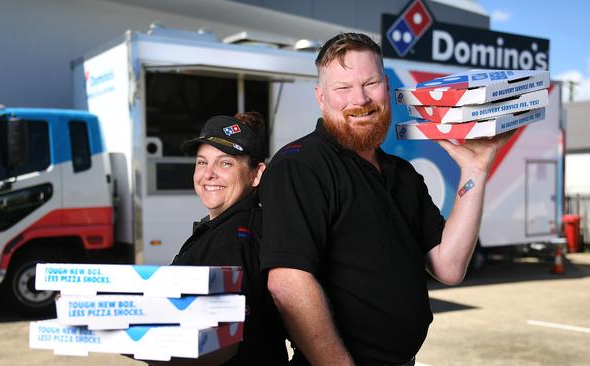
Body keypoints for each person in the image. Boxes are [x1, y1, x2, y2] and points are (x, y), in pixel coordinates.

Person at [258, 33, 515, 366]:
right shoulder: (301, 165)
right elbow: (288, 283)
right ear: (321, 98)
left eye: (371, 82)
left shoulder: (401, 173)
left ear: (387, 86)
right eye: (343, 88)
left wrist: (474, 170)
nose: (360, 99)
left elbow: (448, 267)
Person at [169, 112, 288, 365]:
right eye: (202, 162)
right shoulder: (229, 229)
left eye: (225, 163)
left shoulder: (234, 243)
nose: (209, 174)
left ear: (257, 174)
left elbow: (222, 346)